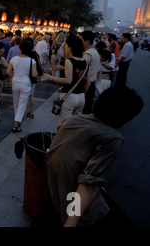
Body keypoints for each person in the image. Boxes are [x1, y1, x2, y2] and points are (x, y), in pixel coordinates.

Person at [46, 86, 143, 227]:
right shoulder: (112, 138)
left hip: (57, 197)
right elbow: (88, 186)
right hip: (79, 211)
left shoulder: (72, 120)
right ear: (123, 117)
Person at [44, 37, 90, 124]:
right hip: (81, 97)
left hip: (70, 97)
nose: (65, 48)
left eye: (66, 46)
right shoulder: (86, 62)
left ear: (71, 48)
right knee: (76, 123)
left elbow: (68, 80)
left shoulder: (69, 61)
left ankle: (63, 138)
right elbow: (88, 82)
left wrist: (51, 78)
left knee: (64, 124)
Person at [7, 41, 38, 132]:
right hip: (25, 83)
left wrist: (15, 76)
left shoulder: (14, 59)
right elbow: (35, 74)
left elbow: (8, 72)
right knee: (22, 103)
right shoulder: (32, 61)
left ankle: (17, 120)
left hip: (15, 82)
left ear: (20, 49)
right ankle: (16, 124)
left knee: (16, 102)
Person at [79, 31, 101, 114]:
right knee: (87, 108)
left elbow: (82, 71)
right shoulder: (95, 52)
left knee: (84, 109)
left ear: (87, 41)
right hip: (92, 83)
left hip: (86, 84)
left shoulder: (87, 54)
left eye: (81, 40)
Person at [22, 37, 43, 119]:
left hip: (23, 77)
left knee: (22, 96)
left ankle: (21, 112)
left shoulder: (22, 55)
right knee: (31, 95)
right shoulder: (35, 54)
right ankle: (31, 112)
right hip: (31, 78)